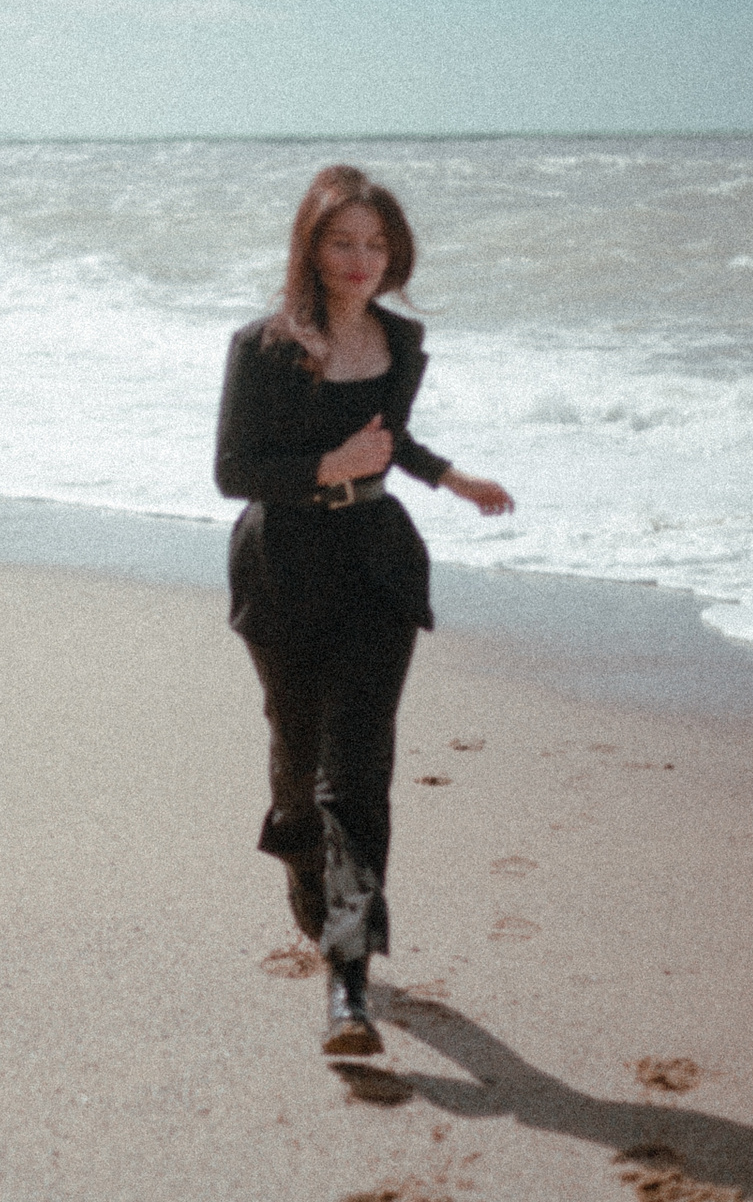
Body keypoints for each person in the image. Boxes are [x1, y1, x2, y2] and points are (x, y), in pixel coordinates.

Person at [214, 165, 513, 1056]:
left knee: (358, 771)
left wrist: (449, 477)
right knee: (298, 762)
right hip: (283, 565)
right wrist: (325, 468)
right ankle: (304, 867)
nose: (360, 259)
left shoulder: (402, 340)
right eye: (342, 241)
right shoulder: (263, 346)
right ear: (310, 247)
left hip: (377, 565)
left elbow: (390, 438)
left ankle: (348, 985)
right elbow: (234, 471)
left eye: (376, 243)